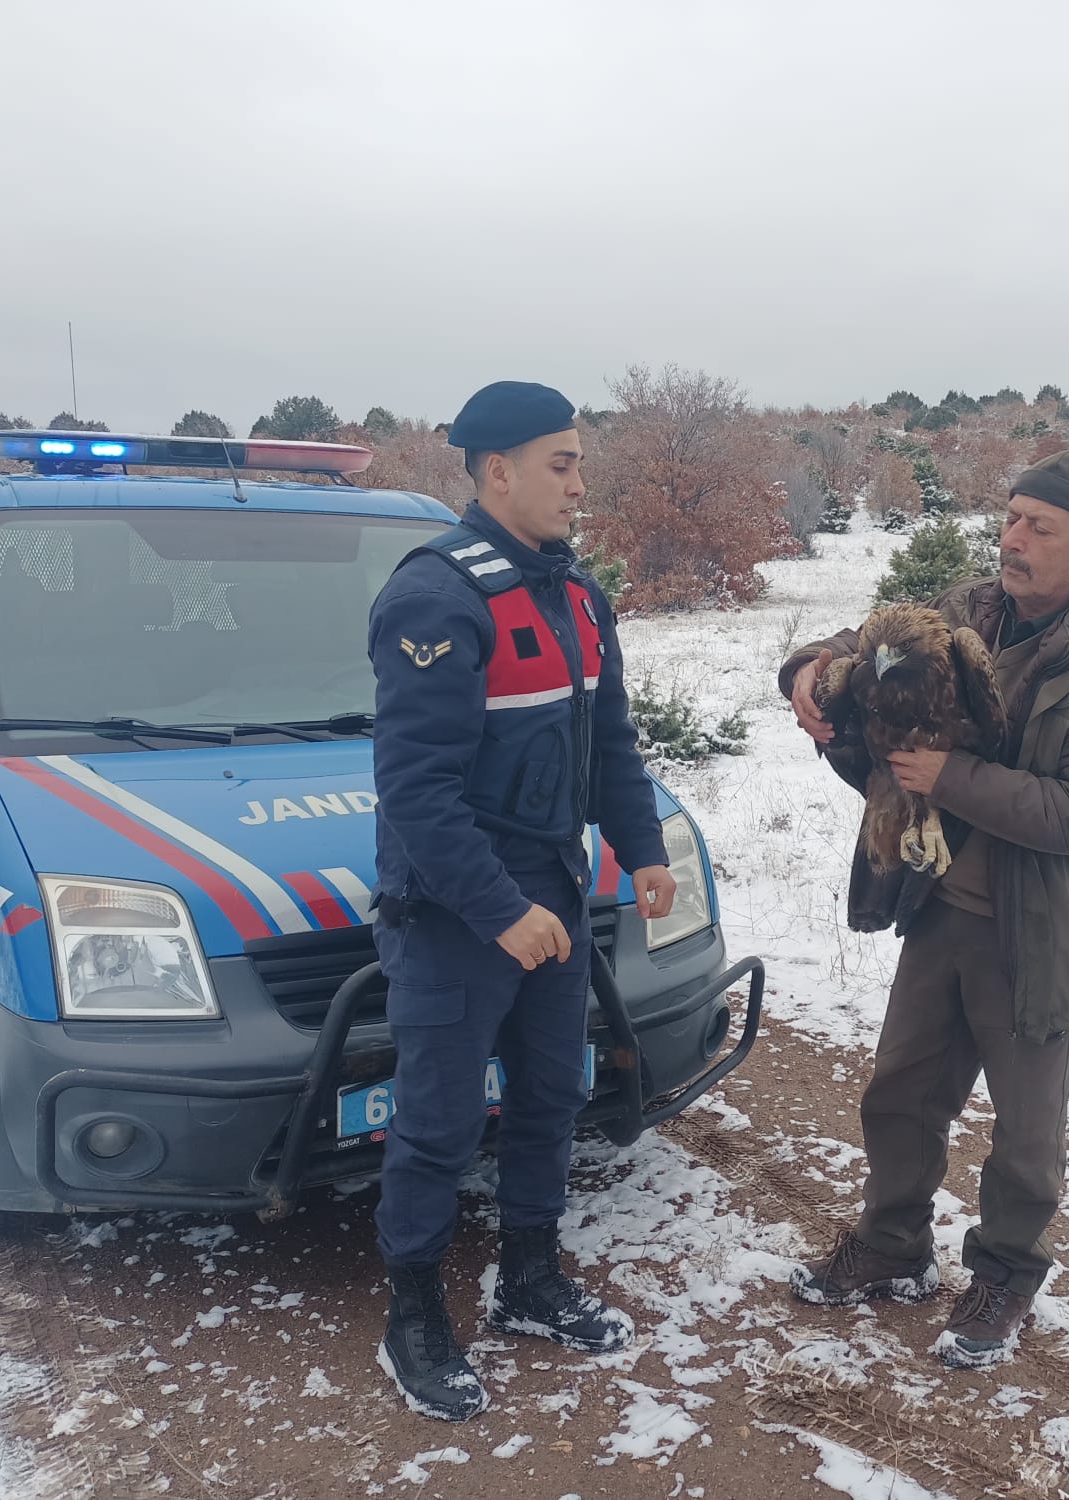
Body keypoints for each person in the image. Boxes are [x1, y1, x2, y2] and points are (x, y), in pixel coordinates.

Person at [778, 450, 1069, 1369]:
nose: (1014, 540)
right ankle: (891, 1247)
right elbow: (867, 640)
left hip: (1040, 927)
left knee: (1026, 1129)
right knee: (902, 1094)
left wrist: (949, 778)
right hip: (940, 908)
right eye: (1010, 519)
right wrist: (807, 666)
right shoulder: (969, 610)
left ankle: (1003, 1275)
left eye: (1040, 527)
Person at [367, 380, 676, 1420]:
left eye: (579, 462)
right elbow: (416, 794)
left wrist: (639, 849)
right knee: (439, 1125)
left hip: (552, 893)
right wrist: (500, 910)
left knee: (551, 1100)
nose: (579, 484)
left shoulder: (574, 593)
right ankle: (412, 1316)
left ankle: (529, 1283)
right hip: (459, 915)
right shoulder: (433, 599)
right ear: (496, 470)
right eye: (563, 463)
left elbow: (610, 741)